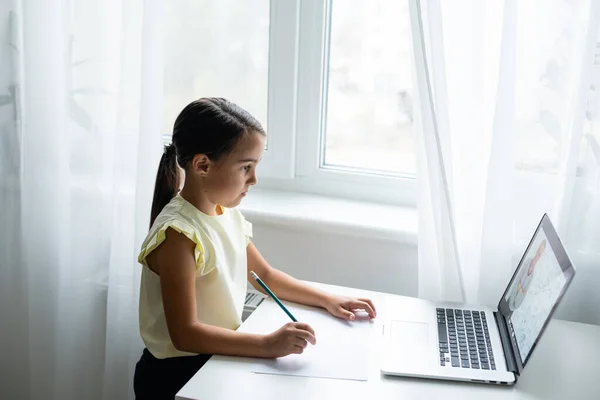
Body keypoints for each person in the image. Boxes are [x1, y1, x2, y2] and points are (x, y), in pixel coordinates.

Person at [133, 98, 377, 399]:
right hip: (175, 376)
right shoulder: (178, 234)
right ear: (202, 165)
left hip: (214, 360)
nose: (254, 179)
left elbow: (265, 275)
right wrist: (266, 344)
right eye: (246, 167)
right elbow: (185, 334)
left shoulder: (224, 212)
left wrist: (329, 299)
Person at [507, 239, 547, 312]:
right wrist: (521, 291)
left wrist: (519, 290)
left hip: (512, 308)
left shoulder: (533, 276)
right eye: (538, 251)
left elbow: (517, 303)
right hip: (506, 298)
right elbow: (515, 280)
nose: (537, 255)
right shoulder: (527, 261)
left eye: (540, 254)